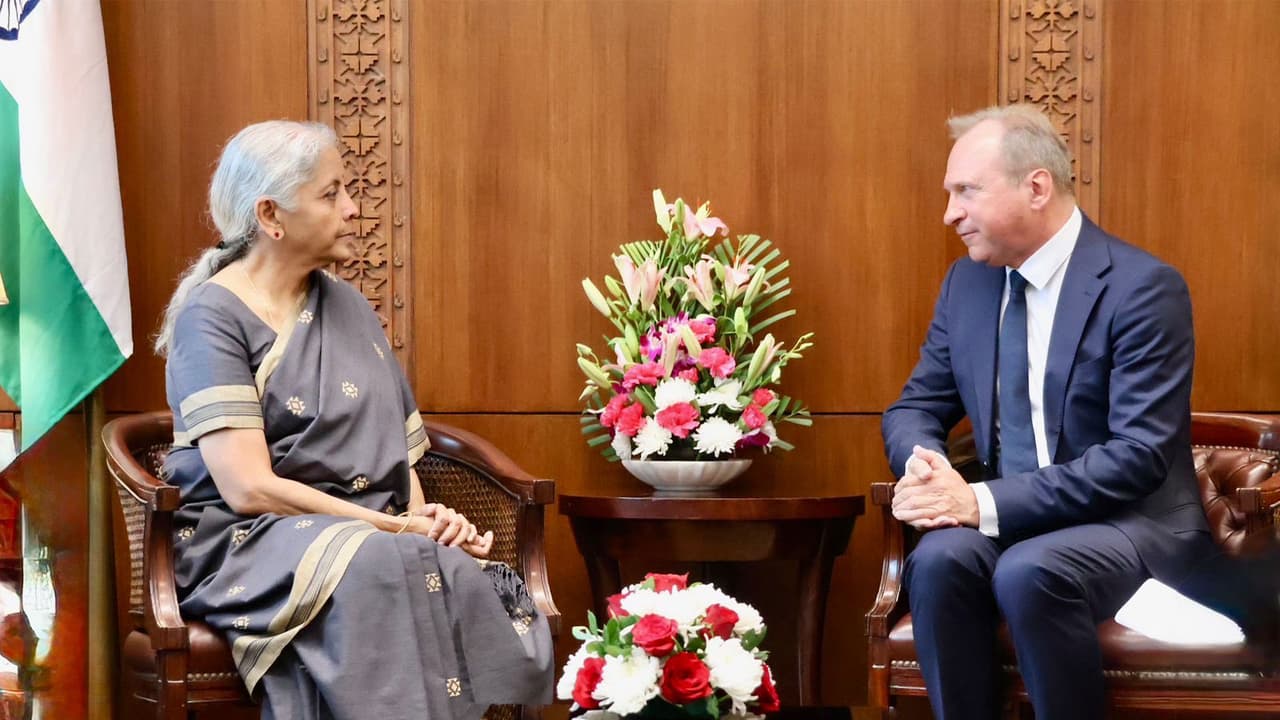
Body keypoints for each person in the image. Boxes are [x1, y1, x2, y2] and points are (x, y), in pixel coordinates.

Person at [154, 120, 552, 719]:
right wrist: (392, 529)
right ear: (270, 215)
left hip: (361, 530)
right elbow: (248, 487)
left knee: (441, 562)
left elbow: (389, 451)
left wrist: (427, 518)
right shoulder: (211, 318)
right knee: (381, 560)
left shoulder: (347, 306)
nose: (353, 208)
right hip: (244, 540)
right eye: (331, 193)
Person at [881, 104, 1215, 720]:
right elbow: (916, 405)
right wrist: (926, 466)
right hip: (1018, 523)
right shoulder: (967, 285)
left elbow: (1138, 457)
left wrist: (976, 504)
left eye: (966, 192)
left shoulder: (1142, 287)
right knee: (939, 559)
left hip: (1131, 524)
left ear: (1036, 186)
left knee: (1032, 569)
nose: (949, 213)